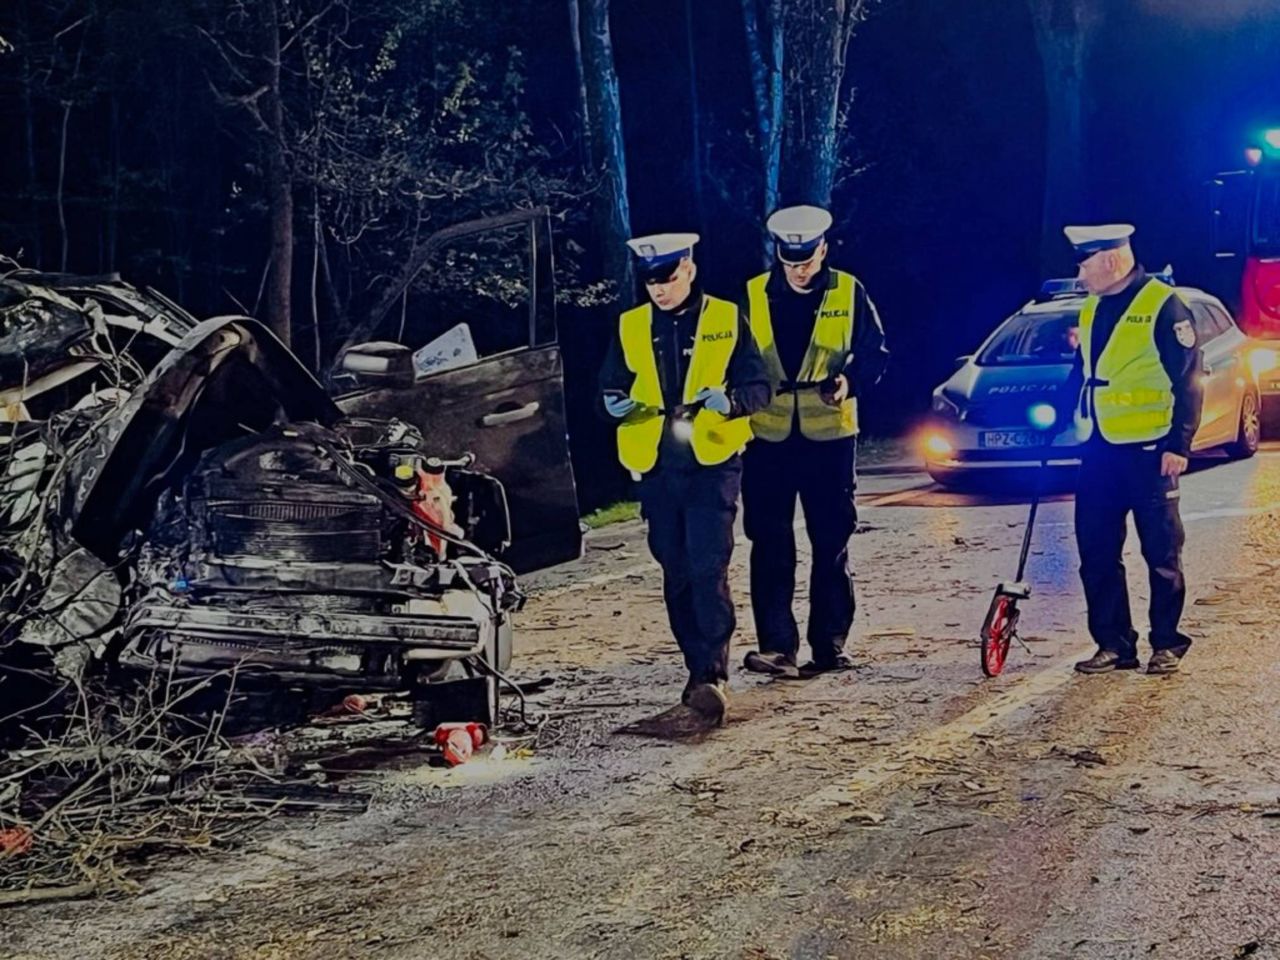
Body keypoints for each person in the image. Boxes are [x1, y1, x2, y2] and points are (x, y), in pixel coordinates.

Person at [597, 233, 771, 724]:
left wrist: (733, 402)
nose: (660, 290)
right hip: (656, 465)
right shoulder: (630, 325)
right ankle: (696, 667)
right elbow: (607, 387)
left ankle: (712, 674)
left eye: (669, 279)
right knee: (675, 569)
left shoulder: (724, 317)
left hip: (712, 463)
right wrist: (613, 405)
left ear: (689, 270)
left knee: (707, 565)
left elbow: (759, 385)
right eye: (652, 283)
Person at [739, 206, 889, 679]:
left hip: (829, 434)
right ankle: (777, 647)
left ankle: (829, 645)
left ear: (823, 249)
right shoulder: (751, 296)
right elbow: (736, 359)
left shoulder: (849, 290)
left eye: (807, 259)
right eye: (791, 261)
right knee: (769, 542)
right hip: (768, 436)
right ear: (779, 256)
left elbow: (874, 352)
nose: (800, 269)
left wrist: (849, 382)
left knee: (831, 541)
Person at [1064, 224, 1203, 676]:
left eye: (1084, 263)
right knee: (1096, 552)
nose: (1079, 273)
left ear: (1109, 259)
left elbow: (1189, 379)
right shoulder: (1091, 308)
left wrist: (1179, 443)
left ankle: (1167, 643)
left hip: (1151, 450)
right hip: (1100, 450)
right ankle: (1115, 645)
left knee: (1161, 553)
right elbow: (1087, 370)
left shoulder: (1164, 304)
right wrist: (1062, 416)